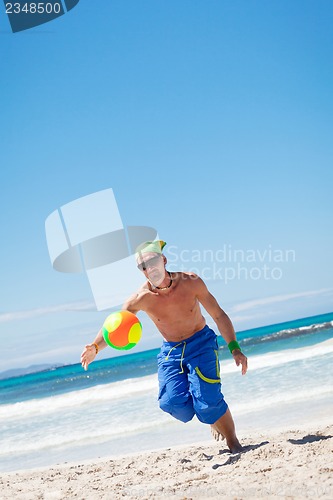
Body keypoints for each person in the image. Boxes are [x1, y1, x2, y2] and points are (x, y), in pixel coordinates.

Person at [81, 240, 248, 453]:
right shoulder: (140, 299)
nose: (149, 268)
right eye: (143, 266)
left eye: (152, 261)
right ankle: (207, 413)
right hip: (172, 351)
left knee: (208, 403)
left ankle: (232, 441)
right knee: (171, 403)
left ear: (164, 260)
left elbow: (218, 314)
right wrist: (95, 347)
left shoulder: (191, 282)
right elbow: (114, 329)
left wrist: (234, 348)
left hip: (201, 343)